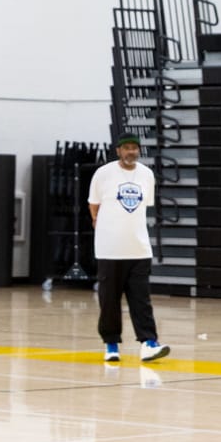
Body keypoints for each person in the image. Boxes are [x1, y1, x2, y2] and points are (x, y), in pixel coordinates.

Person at [87, 134, 169, 363]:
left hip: (139, 249)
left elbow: (144, 206)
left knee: (141, 300)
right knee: (109, 300)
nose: (131, 152)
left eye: (134, 148)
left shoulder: (146, 174)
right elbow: (93, 205)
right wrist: (101, 226)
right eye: (127, 148)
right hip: (109, 250)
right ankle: (111, 344)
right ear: (118, 151)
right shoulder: (103, 174)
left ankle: (149, 343)